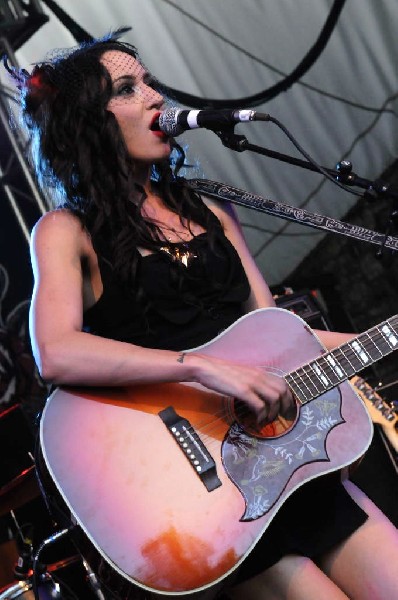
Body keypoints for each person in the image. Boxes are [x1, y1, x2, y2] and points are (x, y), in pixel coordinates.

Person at [5, 31, 398, 600]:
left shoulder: (212, 207)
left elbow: (283, 337)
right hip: (211, 500)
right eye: (127, 89)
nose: (155, 97)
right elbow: (55, 351)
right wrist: (200, 367)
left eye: (148, 82)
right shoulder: (66, 232)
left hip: (286, 467)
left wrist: (373, 339)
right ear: (88, 120)